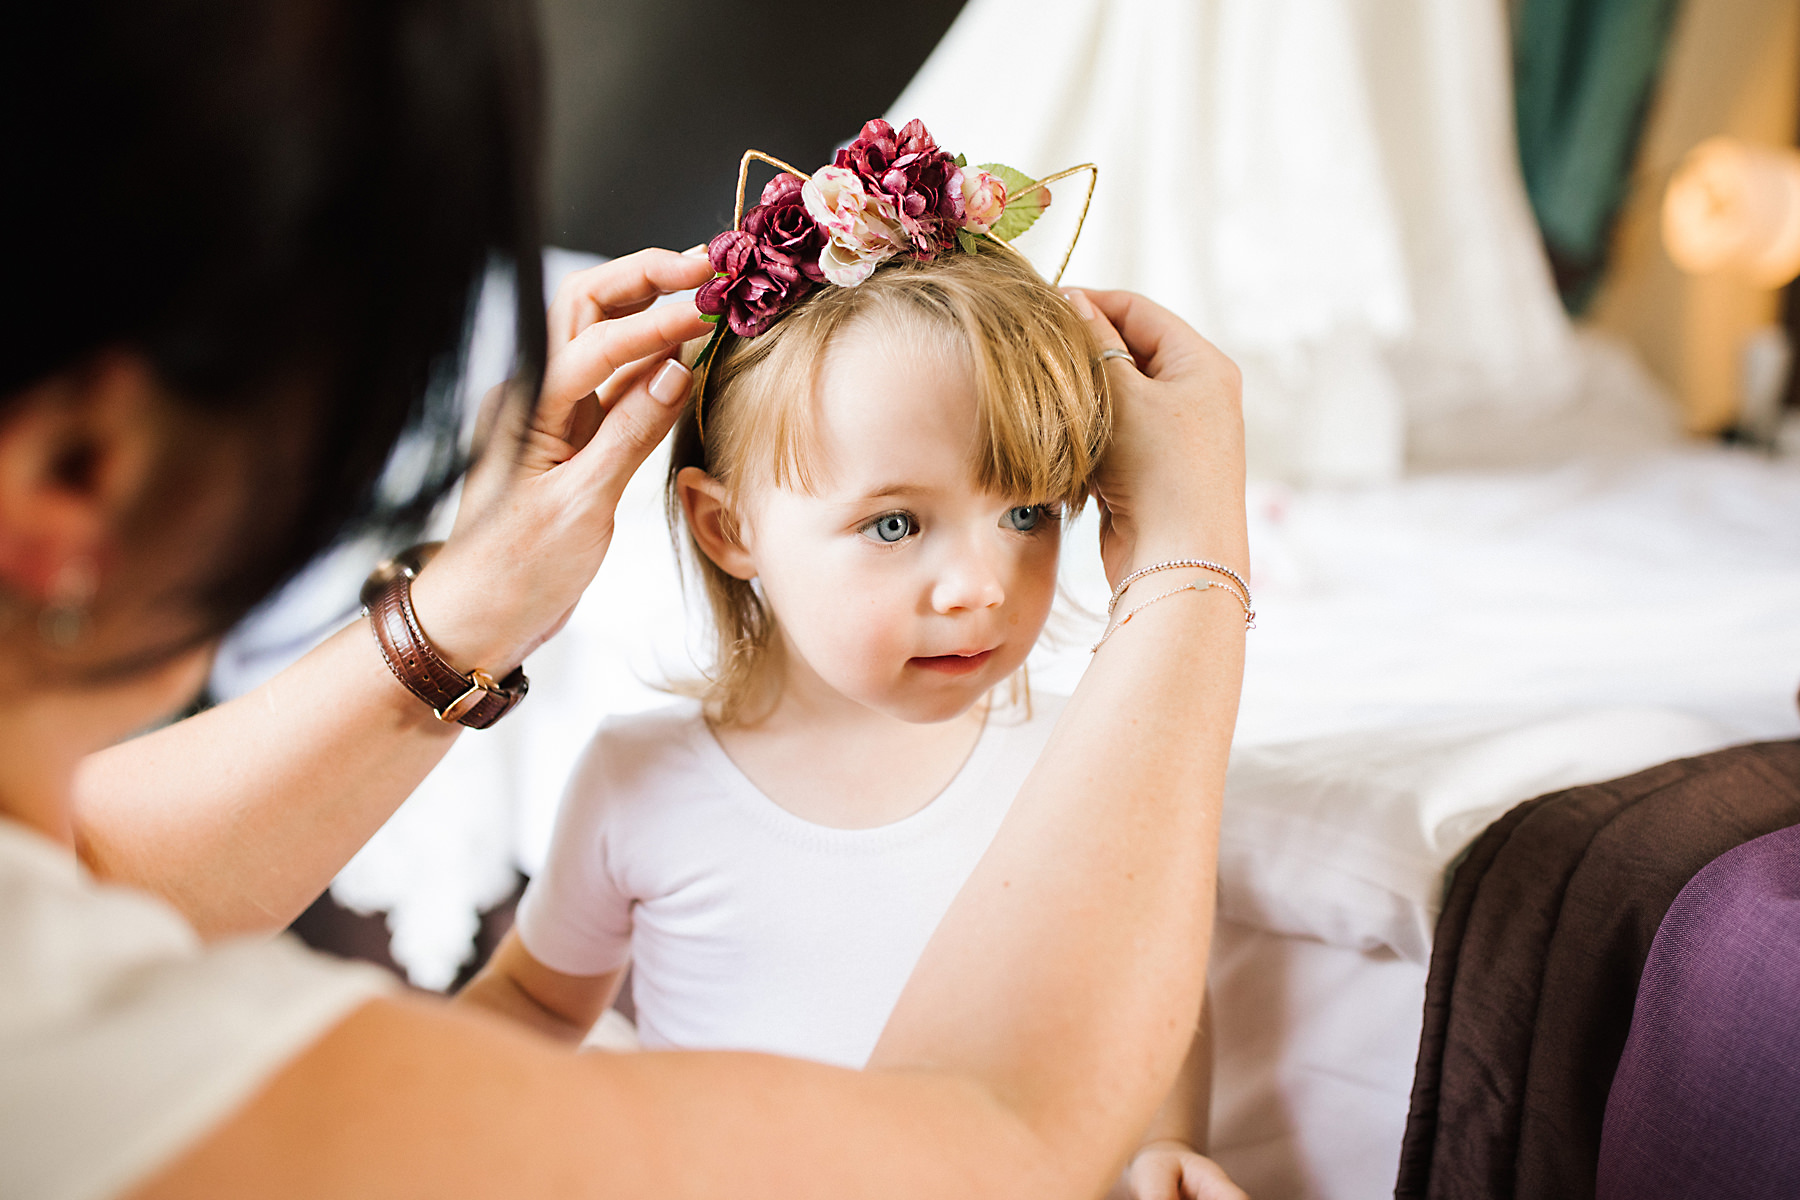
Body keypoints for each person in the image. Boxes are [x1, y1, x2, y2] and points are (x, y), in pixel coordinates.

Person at [1, 4, 1248, 1198]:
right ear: (76, 474)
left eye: (1029, 509)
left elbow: (86, 872)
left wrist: (458, 616)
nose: (978, 580)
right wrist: (1193, 568)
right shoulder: (88, 1074)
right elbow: (996, 1142)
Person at [459, 242, 1247, 1200]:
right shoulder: (640, 783)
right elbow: (532, 1004)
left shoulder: (1085, 767)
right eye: (895, 525)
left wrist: (1165, 1146)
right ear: (730, 529)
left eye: (1029, 513)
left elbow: (1155, 1005)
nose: (978, 588)